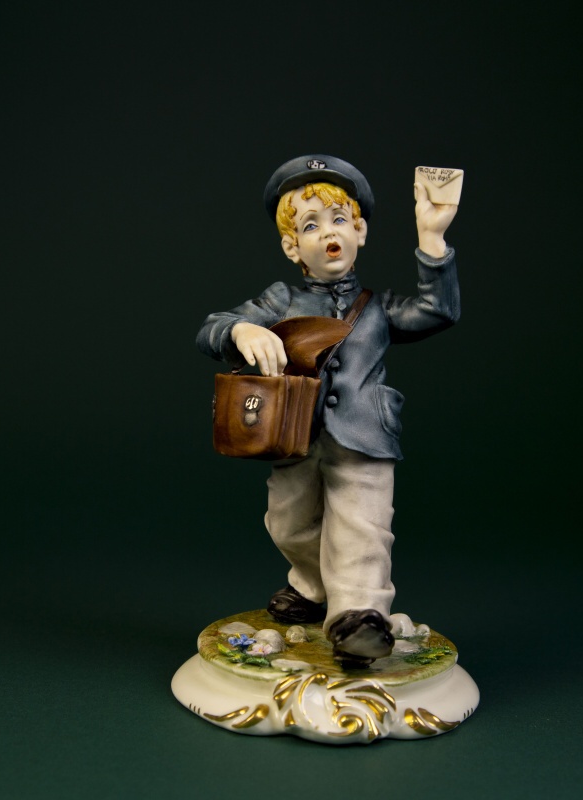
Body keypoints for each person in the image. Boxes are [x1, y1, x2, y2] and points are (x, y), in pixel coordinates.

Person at [197, 155, 460, 666]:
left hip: (364, 435)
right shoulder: (282, 299)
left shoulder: (379, 307)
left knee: (363, 526)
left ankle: (359, 618)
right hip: (293, 434)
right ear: (292, 247)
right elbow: (211, 328)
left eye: (340, 219)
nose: (328, 233)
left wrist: (432, 239)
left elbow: (439, 310)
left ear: (359, 232)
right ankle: (314, 586)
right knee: (288, 523)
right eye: (310, 226)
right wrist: (241, 330)